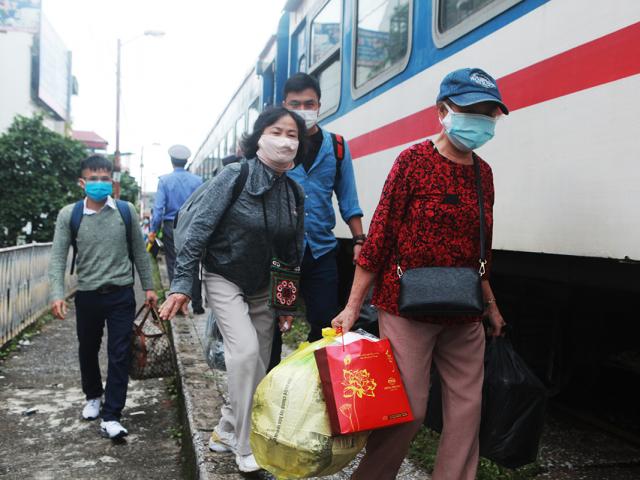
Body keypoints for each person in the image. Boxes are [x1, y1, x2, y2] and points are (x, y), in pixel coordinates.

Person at [331, 68, 508, 479]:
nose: (482, 119)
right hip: (406, 307)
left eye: (489, 113)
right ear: (443, 111)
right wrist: (353, 306)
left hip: (464, 311)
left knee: (467, 413)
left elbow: (481, 249)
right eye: (473, 110)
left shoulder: (483, 174)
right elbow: (378, 239)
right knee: (406, 410)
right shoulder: (412, 162)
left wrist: (492, 305)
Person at [158, 107, 306, 473]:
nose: (285, 140)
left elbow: (291, 251)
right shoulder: (235, 175)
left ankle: (225, 429)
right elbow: (198, 232)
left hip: (262, 285)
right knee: (243, 354)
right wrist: (182, 285)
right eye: (277, 131)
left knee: (258, 365)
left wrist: (286, 305)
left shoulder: (293, 192)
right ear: (259, 136)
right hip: (224, 276)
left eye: (292, 135)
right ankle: (245, 445)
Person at [48, 154, 158, 440]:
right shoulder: (69, 215)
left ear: (112, 182)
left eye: (105, 179)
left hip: (121, 293)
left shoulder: (126, 211)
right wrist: (57, 294)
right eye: (93, 179)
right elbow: (58, 257)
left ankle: (112, 415)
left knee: (119, 353)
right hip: (87, 295)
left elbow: (139, 252)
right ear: (82, 182)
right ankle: (93, 395)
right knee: (87, 347)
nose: (99, 184)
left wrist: (149, 288)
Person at [268, 73, 364, 368]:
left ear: (319, 105)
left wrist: (360, 240)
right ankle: (269, 386)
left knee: (324, 325)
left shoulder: (336, 147)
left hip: (321, 252)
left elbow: (349, 200)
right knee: (272, 328)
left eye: (309, 103)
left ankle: (314, 386)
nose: (303, 109)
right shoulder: (276, 146)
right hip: (280, 254)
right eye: (295, 104)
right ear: (284, 105)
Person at [149, 145, 204, 314]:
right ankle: (197, 304)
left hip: (171, 226)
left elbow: (158, 210)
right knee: (193, 262)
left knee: (173, 263)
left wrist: (153, 230)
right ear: (186, 161)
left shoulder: (164, 181)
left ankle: (178, 305)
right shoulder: (198, 181)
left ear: (171, 161)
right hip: (193, 226)